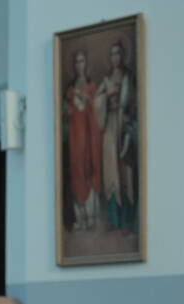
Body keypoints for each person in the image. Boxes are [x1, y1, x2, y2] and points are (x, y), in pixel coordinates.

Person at [94, 41, 137, 233]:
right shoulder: (107, 79)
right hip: (110, 125)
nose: (115, 57)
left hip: (123, 124)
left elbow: (131, 101)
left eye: (118, 53)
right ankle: (113, 219)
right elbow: (97, 102)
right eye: (112, 54)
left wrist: (121, 100)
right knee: (111, 171)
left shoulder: (127, 76)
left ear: (122, 55)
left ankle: (127, 221)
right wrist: (105, 96)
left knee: (125, 171)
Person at [64, 49, 101, 232]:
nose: (79, 65)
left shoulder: (91, 87)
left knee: (88, 169)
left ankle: (91, 216)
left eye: (82, 61)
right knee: (76, 170)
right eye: (77, 61)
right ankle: (80, 217)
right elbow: (66, 111)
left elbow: (97, 109)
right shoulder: (70, 90)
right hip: (74, 137)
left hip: (88, 135)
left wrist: (87, 99)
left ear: (86, 64)